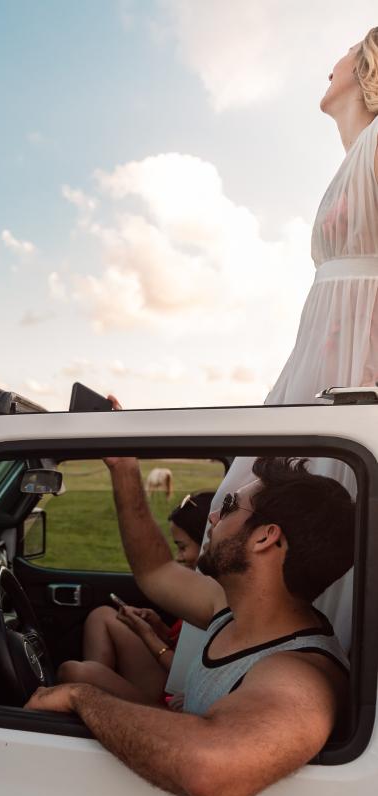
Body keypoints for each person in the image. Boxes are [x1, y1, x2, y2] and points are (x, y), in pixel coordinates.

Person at [26, 457, 354, 796]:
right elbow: (155, 569)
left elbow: (212, 770)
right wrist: (123, 469)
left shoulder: (300, 676)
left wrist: (80, 697)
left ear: (265, 537)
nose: (213, 517)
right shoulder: (232, 610)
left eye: (228, 507)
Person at [200, 27, 378, 658]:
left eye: (342, 52)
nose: (326, 65)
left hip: (364, 353)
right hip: (326, 349)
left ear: (365, 65)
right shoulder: (354, 155)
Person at [59, 488, 214, 706]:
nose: (179, 557)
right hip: (169, 675)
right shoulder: (204, 586)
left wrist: (148, 634)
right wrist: (158, 626)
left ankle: (99, 698)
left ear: (205, 543)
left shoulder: (219, 594)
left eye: (182, 547)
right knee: (102, 615)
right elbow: (186, 645)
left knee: (74, 672)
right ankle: (100, 696)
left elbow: (186, 674)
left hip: (175, 699)